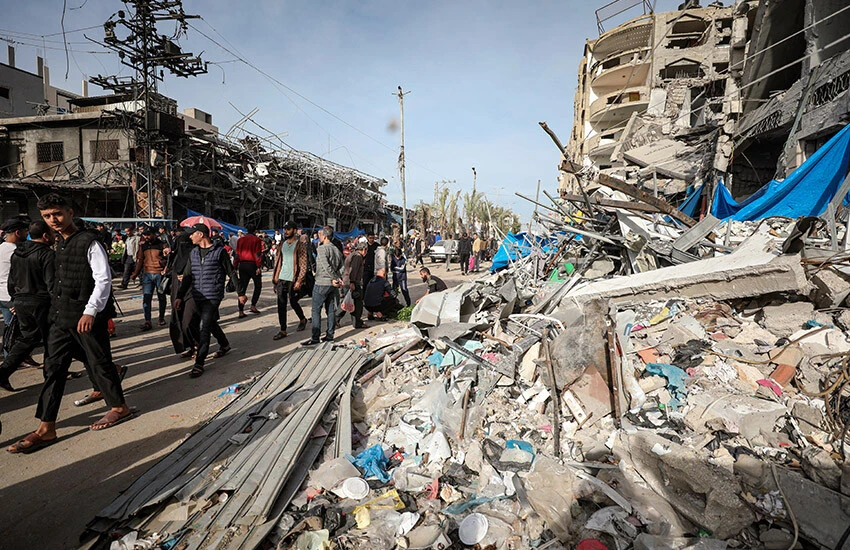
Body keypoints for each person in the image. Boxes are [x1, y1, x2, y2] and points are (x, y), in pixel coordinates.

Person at [8, 194, 132, 454]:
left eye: (57, 214)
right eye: (47, 216)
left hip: (86, 316)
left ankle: (119, 408)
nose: (53, 220)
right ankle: (46, 427)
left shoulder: (89, 241)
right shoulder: (57, 244)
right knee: (53, 369)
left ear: (70, 212)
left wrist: (90, 311)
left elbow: (103, 280)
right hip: (59, 317)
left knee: (99, 361)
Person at [175, 223, 235, 378]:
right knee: (203, 323)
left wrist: (240, 292)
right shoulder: (194, 253)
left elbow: (231, 271)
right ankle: (224, 344)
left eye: (192, 233)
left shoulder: (219, 252)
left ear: (200, 234)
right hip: (197, 295)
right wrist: (180, 296)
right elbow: (187, 276)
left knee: (204, 327)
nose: (189, 236)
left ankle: (199, 363)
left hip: (213, 296)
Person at [0, 221, 54, 391]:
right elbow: (52, 284)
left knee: (27, 339)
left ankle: (2, 373)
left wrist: (16, 299)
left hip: (20, 301)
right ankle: (53, 375)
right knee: (53, 339)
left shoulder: (18, 253)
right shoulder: (46, 254)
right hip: (40, 302)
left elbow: (11, 281)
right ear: (46, 235)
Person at [302, 226, 343, 346]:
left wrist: (334, 278)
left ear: (325, 236)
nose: (319, 236)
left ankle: (315, 337)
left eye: (320, 234)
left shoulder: (322, 248)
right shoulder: (336, 248)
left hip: (322, 282)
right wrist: (338, 278)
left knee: (316, 310)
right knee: (330, 310)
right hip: (332, 284)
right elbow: (341, 266)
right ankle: (330, 335)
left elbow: (326, 266)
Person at [271, 221, 308, 340]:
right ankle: (283, 330)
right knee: (281, 304)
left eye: (288, 229)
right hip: (282, 278)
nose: (285, 231)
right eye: (284, 229)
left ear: (294, 230)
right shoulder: (282, 245)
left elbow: (303, 264)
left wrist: (299, 280)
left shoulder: (300, 245)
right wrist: (275, 280)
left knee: (293, 301)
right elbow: (277, 263)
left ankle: (302, 319)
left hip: (293, 278)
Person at [167, 226, 199, 358]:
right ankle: (190, 346)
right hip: (178, 294)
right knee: (179, 321)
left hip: (193, 292)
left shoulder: (195, 254)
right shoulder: (177, 258)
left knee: (190, 321)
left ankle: (198, 346)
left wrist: (188, 275)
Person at [131, 228, 168, 330]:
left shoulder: (162, 244)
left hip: (159, 274)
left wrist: (165, 269)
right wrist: (136, 273)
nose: (146, 237)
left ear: (154, 234)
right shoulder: (143, 246)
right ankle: (148, 321)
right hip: (147, 274)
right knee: (147, 298)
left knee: (161, 297)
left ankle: (161, 317)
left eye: (148, 234)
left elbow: (169, 259)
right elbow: (140, 260)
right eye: (145, 235)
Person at [1, 218, 29, 329]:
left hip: (2, 296)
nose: (27, 234)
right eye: (25, 231)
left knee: (9, 329)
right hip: (12, 297)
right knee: (19, 331)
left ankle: (7, 346)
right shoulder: (16, 252)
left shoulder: (1, 248)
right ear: (18, 233)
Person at [234, 224, 263, 318]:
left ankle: (241, 310)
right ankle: (253, 305)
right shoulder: (257, 240)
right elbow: (257, 254)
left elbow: (237, 254)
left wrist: (235, 266)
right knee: (258, 285)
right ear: (255, 231)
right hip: (253, 265)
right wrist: (258, 266)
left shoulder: (240, 240)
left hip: (242, 265)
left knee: (243, 287)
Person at [342, 241, 367, 328]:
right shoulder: (358, 257)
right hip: (352, 282)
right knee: (356, 303)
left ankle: (356, 322)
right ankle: (335, 318)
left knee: (351, 303)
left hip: (348, 281)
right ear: (363, 250)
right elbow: (353, 270)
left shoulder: (353, 254)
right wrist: (352, 282)